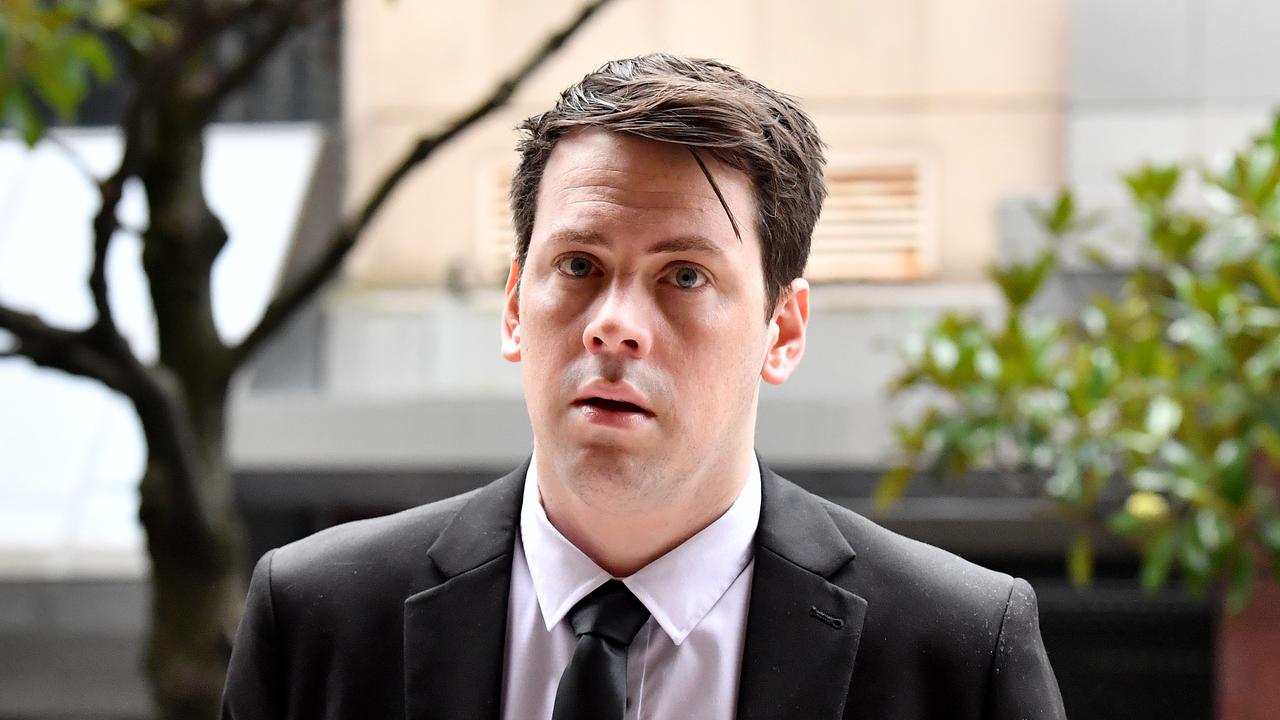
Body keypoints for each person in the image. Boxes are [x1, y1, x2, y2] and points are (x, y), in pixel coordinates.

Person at [221, 53, 1066, 720]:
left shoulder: (957, 649)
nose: (615, 324)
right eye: (579, 266)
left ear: (783, 330)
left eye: (685, 276)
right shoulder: (318, 617)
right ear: (514, 307)